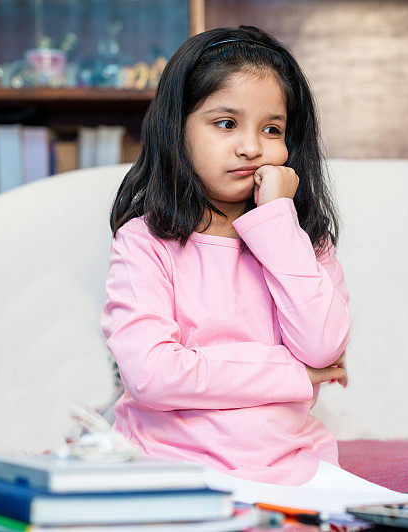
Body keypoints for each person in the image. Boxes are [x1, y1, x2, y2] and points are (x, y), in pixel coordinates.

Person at [100, 25, 351, 486]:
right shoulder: (145, 241)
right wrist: (295, 374)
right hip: (167, 469)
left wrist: (276, 220)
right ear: (177, 129)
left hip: (295, 471)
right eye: (226, 123)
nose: (251, 147)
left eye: (272, 129)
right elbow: (153, 375)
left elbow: (323, 347)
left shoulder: (304, 242)